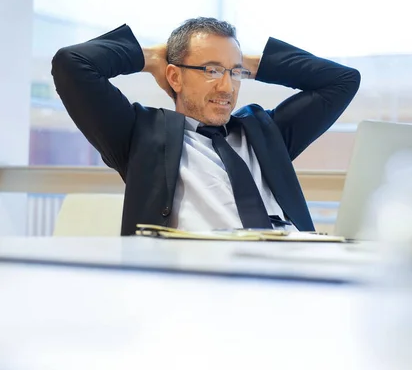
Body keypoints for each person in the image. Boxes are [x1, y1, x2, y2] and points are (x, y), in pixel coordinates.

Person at [51, 17, 361, 235]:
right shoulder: (141, 135)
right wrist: (149, 58)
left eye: (235, 74)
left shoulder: (266, 133)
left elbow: (342, 81)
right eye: (211, 70)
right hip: (203, 286)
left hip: (294, 275)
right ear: (175, 77)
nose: (227, 88)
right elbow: (72, 64)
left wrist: (247, 64)